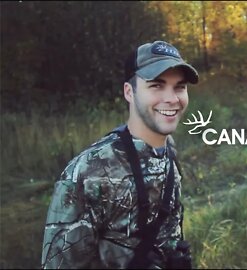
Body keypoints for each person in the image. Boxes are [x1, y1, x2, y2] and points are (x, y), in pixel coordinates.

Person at [41, 40, 199, 268]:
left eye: (179, 87)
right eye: (156, 85)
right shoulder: (88, 172)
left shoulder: (169, 153)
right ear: (129, 92)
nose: (172, 98)